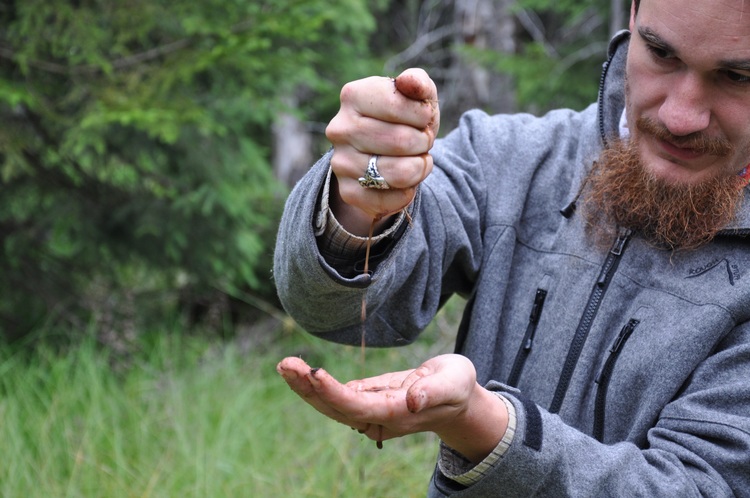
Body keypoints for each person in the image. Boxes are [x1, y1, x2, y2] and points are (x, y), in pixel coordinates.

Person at [273, 0, 750, 496]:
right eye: (660, 53)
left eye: (736, 76)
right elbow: (328, 309)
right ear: (630, 18)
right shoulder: (512, 160)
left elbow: (702, 484)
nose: (680, 117)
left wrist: (490, 430)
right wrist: (359, 199)